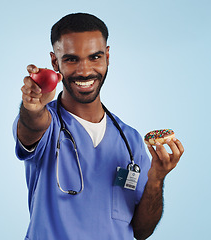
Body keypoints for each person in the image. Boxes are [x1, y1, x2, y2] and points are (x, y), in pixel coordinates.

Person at [13, 13, 184, 240]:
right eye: (72, 59)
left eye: (95, 57)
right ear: (55, 62)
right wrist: (33, 108)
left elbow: (142, 231)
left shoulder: (130, 140)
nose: (85, 70)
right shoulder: (47, 124)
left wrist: (156, 178)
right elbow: (32, 126)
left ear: (107, 57)